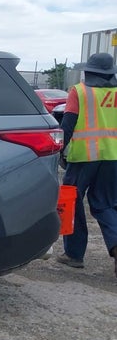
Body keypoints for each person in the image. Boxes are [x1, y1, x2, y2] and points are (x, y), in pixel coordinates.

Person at [56, 52, 117, 278]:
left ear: (88, 71)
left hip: (84, 157)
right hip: (113, 158)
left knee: (71, 202)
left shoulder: (79, 91)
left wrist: (58, 151)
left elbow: (67, 125)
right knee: (105, 204)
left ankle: (74, 254)